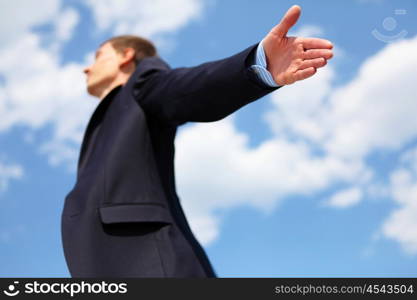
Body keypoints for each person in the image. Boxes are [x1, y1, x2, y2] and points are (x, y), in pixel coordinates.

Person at [61, 5, 333, 277]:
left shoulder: (143, 83)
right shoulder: (112, 112)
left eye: (98, 57)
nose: (87, 68)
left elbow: (187, 88)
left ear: (126, 56)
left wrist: (260, 65)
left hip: (149, 264)